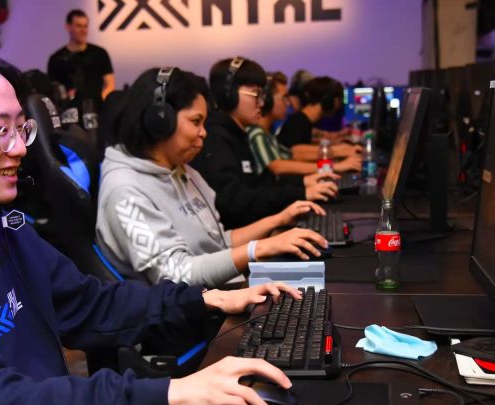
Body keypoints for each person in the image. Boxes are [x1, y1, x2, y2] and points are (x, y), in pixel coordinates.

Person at [0, 47, 299, 405]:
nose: (19, 148)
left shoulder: (3, 228)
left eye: (21, 128)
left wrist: (202, 301)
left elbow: (92, 304)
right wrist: (167, 394)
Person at [96, 67, 329, 287]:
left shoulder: (181, 171)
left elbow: (217, 242)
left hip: (220, 293)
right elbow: (176, 273)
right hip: (188, 311)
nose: (204, 133)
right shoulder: (124, 191)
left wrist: (278, 221)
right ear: (160, 121)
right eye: (196, 122)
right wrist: (258, 249)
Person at [190, 57, 338, 229]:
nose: (261, 103)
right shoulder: (216, 138)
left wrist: (303, 185)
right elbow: (234, 202)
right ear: (229, 94)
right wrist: (301, 193)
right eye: (256, 95)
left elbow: (258, 187)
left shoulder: (237, 134)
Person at [248, 72, 362, 177]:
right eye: (284, 98)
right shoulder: (257, 133)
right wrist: (333, 165)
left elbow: (291, 155)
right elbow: (278, 165)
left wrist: (338, 153)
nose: (288, 103)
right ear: (267, 100)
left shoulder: (268, 135)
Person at [277, 76, 363, 162]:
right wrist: (338, 151)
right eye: (339, 100)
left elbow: (305, 145)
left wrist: (335, 144)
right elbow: (293, 151)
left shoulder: (304, 121)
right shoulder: (297, 122)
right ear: (328, 100)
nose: (340, 105)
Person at [47, 9, 115, 107]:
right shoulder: (56, 59)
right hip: (68, 109)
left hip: (97, 108)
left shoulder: (100, 53)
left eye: (85, 26)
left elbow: (110, 84)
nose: (83, 30)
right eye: (79, 26)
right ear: (68, 27)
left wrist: (100, 100)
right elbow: (53, 90)